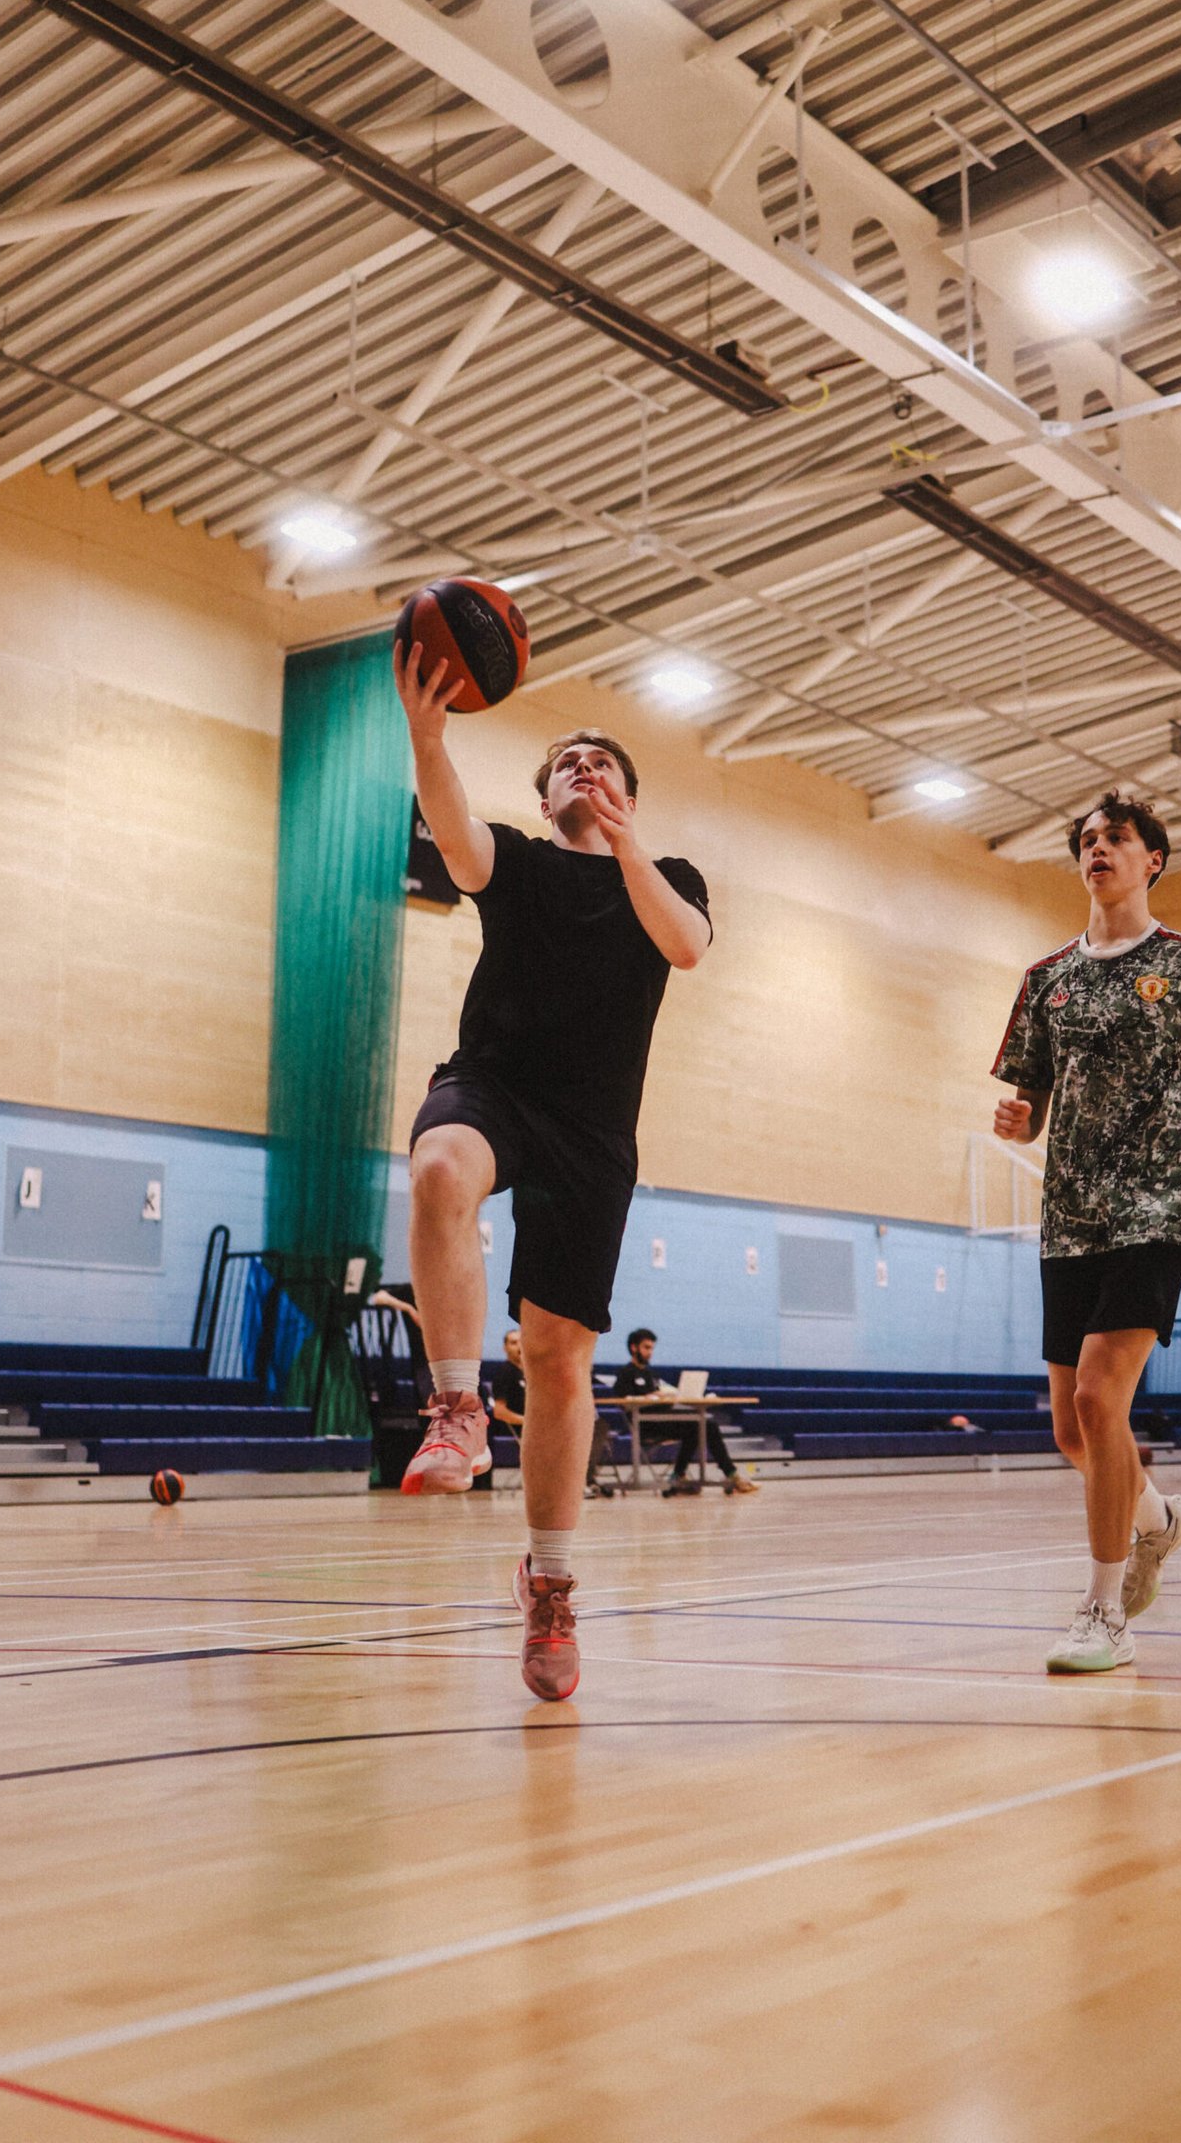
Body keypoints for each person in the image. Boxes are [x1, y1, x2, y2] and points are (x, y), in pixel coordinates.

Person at [392, 637, 712, 1701]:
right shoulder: (520, 865)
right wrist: (428, 740)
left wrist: (626, 846)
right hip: (494, 1084)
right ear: (544, 796)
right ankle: (455, 1408)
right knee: (441, 1167)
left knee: (559, 1356)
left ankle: (550, 1583)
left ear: (629, 796)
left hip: (592, 1130)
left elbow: (685, 946)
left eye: (603, 761)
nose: (585, 766)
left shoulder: (668, 880)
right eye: (567, 761)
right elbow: (454, 836)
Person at [991, 790, 1181, 1675]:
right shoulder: (1046, 978)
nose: (1098, 849)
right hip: (1070, 1215)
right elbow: (1033, 1102)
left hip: (1160, 1204)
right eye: (1087, 839)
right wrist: (1020, 1122)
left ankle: (1104, 1611)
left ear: (1153, 858)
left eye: (1116, 837)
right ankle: (1157, 1520)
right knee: (1071, 1434)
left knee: (1098, 1400)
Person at [607, 1328, 758, 1495]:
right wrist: (651, 1396)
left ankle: (683, 1475)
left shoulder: (650, 1373)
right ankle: (724, 1474)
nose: (650, 1352)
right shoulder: (625, 1373)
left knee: (704, 1425)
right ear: (634, 1347)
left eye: (652, 1348)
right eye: (646, 1347)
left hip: (663, 1419)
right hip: (645, 1424)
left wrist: (670, 1395)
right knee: (701, 1426)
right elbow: (624, 1401)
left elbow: (661, 1399)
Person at [493, 1326, 615, 1498]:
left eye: (522, 1341)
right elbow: (499, 1412)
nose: (519, 1346)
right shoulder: (505, 1373)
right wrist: (528, 1421)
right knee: (577, 1431)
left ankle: (583, 1479)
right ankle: (579, 1482)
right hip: (523, 1428)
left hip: (544, 1424)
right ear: (505, 1348)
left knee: (596, 1425)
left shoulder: (533, 1372)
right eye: (513, 1343)